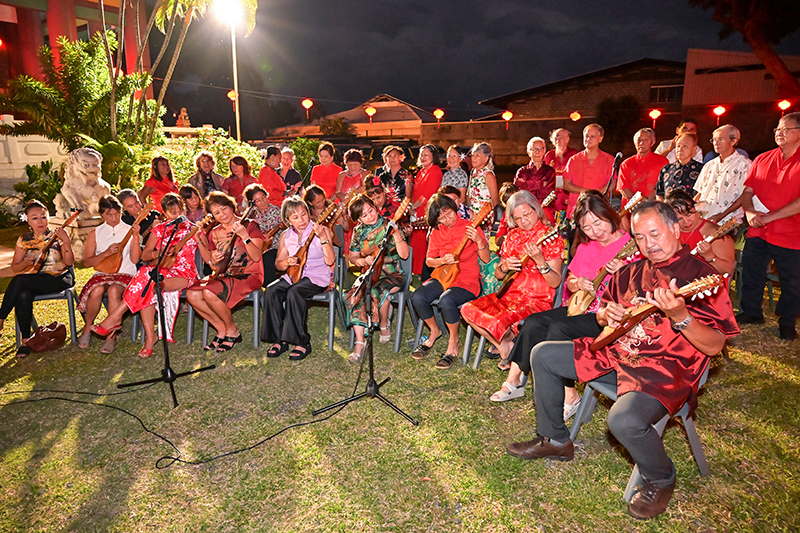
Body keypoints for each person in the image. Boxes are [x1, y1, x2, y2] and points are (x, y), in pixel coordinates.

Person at [506, 200, 738, 520]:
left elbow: (715, 345)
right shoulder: (631, 271)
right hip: (617, 353)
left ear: (675, 228)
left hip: (665, 368)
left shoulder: (702, 277)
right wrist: (606, 314)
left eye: (654, 234)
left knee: (622, 420)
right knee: (542, 353)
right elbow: (604, 315)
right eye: (640, 237)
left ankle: (660, 477)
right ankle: (556, 439)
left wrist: (681, 317)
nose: (648, 244)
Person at [490, 191, 633, 409]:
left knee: (558, 328)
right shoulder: (586, 247)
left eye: (598, 223)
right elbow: (570, 282)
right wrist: (579, 284)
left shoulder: (630, 246)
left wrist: (624, 271)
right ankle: (514, 380)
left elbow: (641, 285)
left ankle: (569, 395)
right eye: (587, 228)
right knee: (534, 322)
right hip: (581, 306)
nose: (595, 231)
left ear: (609, 215)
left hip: (607, 314)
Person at [460, 191, 563, 370]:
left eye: (527, 214)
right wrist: (505, 266)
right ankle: (505, 346)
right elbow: (499, 275)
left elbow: (555, 282)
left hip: (536, 300)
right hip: (509, 296)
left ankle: (507, 343)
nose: (524, 221)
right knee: (467, 309)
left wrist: (540, 261)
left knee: (498, 320)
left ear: (536, 210)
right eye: (518, 218)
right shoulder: (511, 237)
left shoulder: (550, 236)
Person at [92, 193, 200, 358]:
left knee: (147, 281)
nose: (177, 215)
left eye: (179, 211)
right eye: (172, 212)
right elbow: (145, 255)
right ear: (164, 213)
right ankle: (150, 337)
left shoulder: (193, 229)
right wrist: (160, 253)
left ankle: (114, 318)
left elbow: (207, 254)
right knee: (147, 281)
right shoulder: (159, 230)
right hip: (162, 271)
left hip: (185, 274)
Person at [738, 112, 800, 341]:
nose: (779, 132)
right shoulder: (763, 158)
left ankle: (787, 321)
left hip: (791, 232)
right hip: (759, 230)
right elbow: (747, 192)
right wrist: (750, 212)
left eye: (786, 128)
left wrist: (772, 217)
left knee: (791, 280)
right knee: (752, 273)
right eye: (777, 129)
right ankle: (752, 312)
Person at [411, 193, 490, 367]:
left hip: (467, 280)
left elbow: (485, 258)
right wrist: (442, 261)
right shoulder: (436, 233)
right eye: (442, 218)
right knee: (418, 297)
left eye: (449, 213)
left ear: (455, 208)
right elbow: (429, 261)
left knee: (446, 301)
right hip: (444, 276)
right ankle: (434, 331)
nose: (447, 219)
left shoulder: (471, 227)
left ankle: (453, 342)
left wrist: (478, 241)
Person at [188, 192, 264, 352]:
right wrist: (209, 253)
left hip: (249, 274)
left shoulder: (250, 225)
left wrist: (245, 236)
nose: (222, 214)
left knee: (209, 292)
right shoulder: (214, 233)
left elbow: (256, 257)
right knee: (192, 294)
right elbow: (214, 266)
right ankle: (221, 329)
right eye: (217, 212)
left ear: (231, 206)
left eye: (224, 209)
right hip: (224, 275)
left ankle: (232, 330)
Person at [262, 196, 335, 361]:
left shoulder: (321, 230)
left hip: (317, 276)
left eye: (304, 214)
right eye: (295, 217)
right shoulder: (286, 236)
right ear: (288, 220)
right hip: (294, 275)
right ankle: (280, 339)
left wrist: (324, 239)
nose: (301, 220)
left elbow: (330, 261)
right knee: (272, 290)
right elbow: (278, 265)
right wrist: (287, 261)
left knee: (294, 292)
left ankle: (302, 341)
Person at [0, 200, 75, 358]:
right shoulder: (24, 240)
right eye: (35, 218)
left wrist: (66, 241)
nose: (40, 221)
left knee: (20, 281)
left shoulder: (57, 235)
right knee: (23, 294)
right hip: (35, 280)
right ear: (27, 220)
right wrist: (24, 263)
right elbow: (15, 268)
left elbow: (69, 263)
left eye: (43, 216)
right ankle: (26, 341)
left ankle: (0, 318)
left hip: (59, 278)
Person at [343, 195, 410, 362]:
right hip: (369, 273)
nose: (370, 216)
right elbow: (352, 257)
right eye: (364, 215)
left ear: (375, 206)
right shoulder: (358, 232)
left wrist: (396, 235)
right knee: (355, 293)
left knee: (375, 290)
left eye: (370, 210)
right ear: (358, 220)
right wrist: (363, 261)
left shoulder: (389, 224)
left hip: (391, 274)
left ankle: (384, 322)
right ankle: (360, 341)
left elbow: (405, 254)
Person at [77, 195, 136, 354]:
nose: (114, 218)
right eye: (109, 214)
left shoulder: (129, 230)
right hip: (103, 273)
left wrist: (136, 238)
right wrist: (105, 253)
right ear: (102, 214)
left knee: (114, 290)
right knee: (96, 291)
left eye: (117, 213)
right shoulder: (95, 233)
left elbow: (135, 258)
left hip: (126, 272)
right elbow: (88, 262)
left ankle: (111, 335)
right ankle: (87, 328)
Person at [666, 189, 735, 276]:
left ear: (696, 208)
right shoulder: (668, 233)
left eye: (689, 214)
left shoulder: (714, 232)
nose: (686, 221)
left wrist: (710, 256)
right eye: (679, 219)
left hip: (704, 285)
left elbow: (728, 270)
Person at [693, 124, 752, 224]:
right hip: (704, 220)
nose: (716, 143)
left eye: (721, 139)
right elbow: (700, 193)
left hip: (728, 221)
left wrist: (722, 215)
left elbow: (745, 195)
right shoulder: (709, 165)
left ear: (733, 141)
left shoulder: (745, 164)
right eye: (714, 140)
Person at [563, 124, 615, 217]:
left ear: (601, 138)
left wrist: (597, 193)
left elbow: (612, 184)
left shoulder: (609, 159)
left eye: (592, 136)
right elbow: (566, 184)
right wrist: (588, 192)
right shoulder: (574, 160)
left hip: (599, 208)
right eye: (586, 136)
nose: (588, 139)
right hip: (577, 209)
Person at [409, 144, 443, 275]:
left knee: (423, 243)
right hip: (416, 210)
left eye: (426, 155)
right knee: (416, 242)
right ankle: (414, 270)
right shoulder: (421, 171)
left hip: (425, 211)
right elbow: (415, 191)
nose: (423, 157)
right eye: (421, 155)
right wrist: (412, 207)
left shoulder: (435, 171)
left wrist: (413, 207)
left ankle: (422, 271)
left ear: (433, 156)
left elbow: (428, 194)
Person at [244, 183, 282, 287]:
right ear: (253, 203)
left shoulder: (278, 211)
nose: (263, 202)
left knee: (267, 259)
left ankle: (269, 290)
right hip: (256, 247)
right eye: (258, 200)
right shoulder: (250, 215)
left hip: (275, 247)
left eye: (263, 197)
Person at [618, 128, 669, 201]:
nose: (641, 143)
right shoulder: (626, 164)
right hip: (631, 207)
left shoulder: (662, 161)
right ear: (634, 142)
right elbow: (623, 188)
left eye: (646, 140)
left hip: (654, 205)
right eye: (639, 140)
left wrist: (647, 200)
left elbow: (664, 185)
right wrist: (635, 202)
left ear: (653, 142)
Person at [655, 133, 704, 201]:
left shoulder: (702, 170)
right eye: (678, 146)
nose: (680, 149)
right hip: (667, 210)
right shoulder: (666, 169)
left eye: (685, 146)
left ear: (694, 149)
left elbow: (703, 193)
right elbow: (659, 193)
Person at [514, 137, 556, 206]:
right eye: (533, 149)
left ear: (544, 150)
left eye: (540, 149)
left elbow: (548, 192)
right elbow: (519, 192)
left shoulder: (550, 171)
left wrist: (526, 184)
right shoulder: (522, 171)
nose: (537, 152)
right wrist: (540, 184)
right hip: (526, 207)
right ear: (528, 152)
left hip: (545, 208)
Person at [543, 128, 577, 212]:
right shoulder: (549, 155)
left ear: (567, 139)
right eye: (555, 138)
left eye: (560, 138)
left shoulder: (574, 155)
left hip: (569, 194)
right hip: (553, 197)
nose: (557, 140)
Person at [468, 142, 499, 219]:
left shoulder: (488, 175)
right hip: (472, 215)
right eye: (473, 155)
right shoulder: (473, 172)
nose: (473, 158)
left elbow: (494, 200)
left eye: (477, 155)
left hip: (485, 217)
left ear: (486, 158)